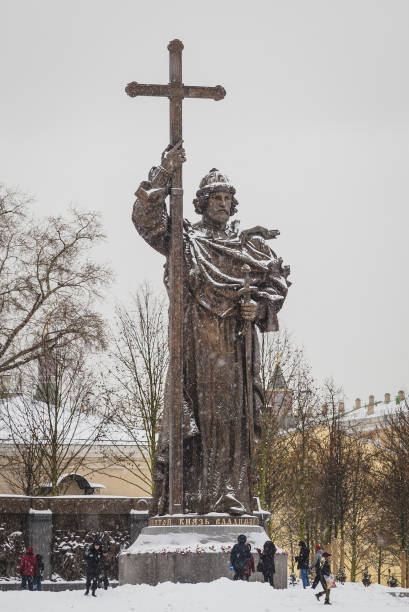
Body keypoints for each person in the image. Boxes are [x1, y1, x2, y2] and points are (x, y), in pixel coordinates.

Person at [133, 143, 290, 514]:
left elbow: (276, 287)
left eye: (226, 197)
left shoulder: (247, 247)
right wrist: (164, 173)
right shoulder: (186, 242)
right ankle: (191, 498)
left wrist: (258, 308)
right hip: (195, 348)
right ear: (201, 203)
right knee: (197, 426)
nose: (221, 202)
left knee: (231, 426)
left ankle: (229, 495)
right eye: (214, 197)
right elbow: (147, 221)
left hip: (234, 350)